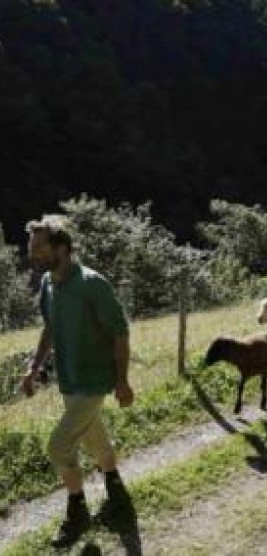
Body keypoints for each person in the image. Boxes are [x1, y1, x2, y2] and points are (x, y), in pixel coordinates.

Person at [19, 215, 135, 548]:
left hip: (95, 380)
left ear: (63, 247)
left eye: (40, 248)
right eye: (32, 248)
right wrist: (34, 368)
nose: (33, 255)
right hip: (68, 380)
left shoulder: (91, 283)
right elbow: (50, 328)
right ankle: (116, 494)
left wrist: (123, 381)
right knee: (93, 439)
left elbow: (120, 332)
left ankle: (78, 512)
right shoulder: (48, 284)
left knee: (58, 446)